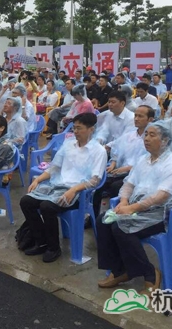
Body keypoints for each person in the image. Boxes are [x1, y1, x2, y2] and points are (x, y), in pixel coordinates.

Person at [96, 121, 172, 295]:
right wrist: (124, 202)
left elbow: (160, 197)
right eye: (146, 134)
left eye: (152, 135)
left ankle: (150, 273)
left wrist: (132, 208)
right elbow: (128, 184)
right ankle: (120, 270)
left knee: (121, 228)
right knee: (103, 221)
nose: (146, 138)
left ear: (165, 140)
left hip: (162, 213)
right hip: (138, 207)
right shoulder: (143, 160)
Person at [20, 113, 107, 263]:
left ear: (91, 129)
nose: (76, 132)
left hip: (78, 193)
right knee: (26, 201)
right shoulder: (68, 145)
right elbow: (54, 168)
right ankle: (41, 241)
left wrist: (74, 190)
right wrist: (38, 180)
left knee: (47, 206)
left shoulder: (98, 150)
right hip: (57, 186)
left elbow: (94, 181)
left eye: (79, 128)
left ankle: (54, 248)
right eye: (74, 128)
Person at [91, 105, 155, 222]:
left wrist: (127, 168)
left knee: (116, 186)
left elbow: (149, 161)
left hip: (138, 175)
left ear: (150, 119)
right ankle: (93, 218)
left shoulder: (152, 138)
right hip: (121, 171)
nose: (136, 119)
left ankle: (118, 216)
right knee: (99, 183)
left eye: (140, 116)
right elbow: (117, 149)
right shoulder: (130, 135)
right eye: (135, 115)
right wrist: (113, 163)